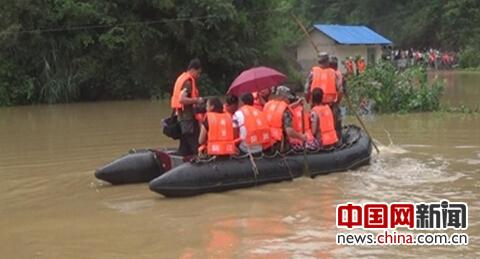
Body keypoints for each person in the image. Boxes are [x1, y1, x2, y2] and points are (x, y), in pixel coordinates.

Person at [170, 58, 204, 156]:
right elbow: (182, 99)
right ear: (193, 70)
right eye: (198, 73)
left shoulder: (181, 78)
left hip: (182, 118)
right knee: (195, 144)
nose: (198, 76)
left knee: (184, 146)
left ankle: (179, 159)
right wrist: (197, 100)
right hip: (187, 119)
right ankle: (200, 162)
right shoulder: (188, 82)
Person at [264, 86, 306, 152]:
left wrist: (297, 104)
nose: (289, 100)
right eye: (288, 98)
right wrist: (302, 137)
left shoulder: (268, 105)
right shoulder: (285, 110)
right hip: (278, 145)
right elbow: (289, 131)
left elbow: (280, 111)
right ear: (283, 97)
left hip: (266, 141)